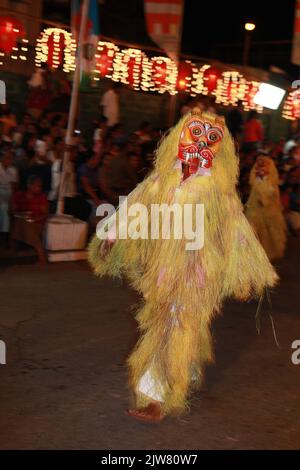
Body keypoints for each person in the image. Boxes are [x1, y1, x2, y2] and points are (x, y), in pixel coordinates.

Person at [89, 108, 277, 422]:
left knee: (172, 325)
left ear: (221, 148)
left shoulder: (218, 191)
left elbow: (237, 232)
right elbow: (137, 207)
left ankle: (155, 397)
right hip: (164, 270)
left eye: (212, 138)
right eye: (197, 133)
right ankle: (183, 372)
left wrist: (243, 272)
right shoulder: (163, 178)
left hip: (200, 273)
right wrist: (113, 237)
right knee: (176, 323)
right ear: (180, 135)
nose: (202, 143)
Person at [245, 154, 287, 260]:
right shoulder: (255, 178)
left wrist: (264, 181)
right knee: (255, 228)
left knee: (270, 229)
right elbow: (253, 188)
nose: (262, 165)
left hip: (269, 209)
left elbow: (273, 193)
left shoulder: (272, 181)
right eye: (259, 162)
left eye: (265, 163)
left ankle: (269, 253)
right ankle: (254, 253)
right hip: (255, 207)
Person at [11, 175, 48, 265]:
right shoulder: (19, 195)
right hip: (23, 221)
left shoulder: (41, 197)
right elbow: (12, 211)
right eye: (37, 186)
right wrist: (22, 214)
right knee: (20, 222)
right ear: (29, 186)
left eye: (40, 186)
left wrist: (35, 218)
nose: (39, 188)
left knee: (25, 225)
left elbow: (45, 214)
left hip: (37, 223)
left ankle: (41, 256)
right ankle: (15, 248)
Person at [0, 143, 18, 240]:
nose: (9, 160)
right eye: (7, 157)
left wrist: (12, 200)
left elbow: (14, 188)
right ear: (2, 158)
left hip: (8, 194)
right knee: (3, 206)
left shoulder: (13, 170)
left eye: (11, 158)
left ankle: (5, 233)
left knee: (7, 206)